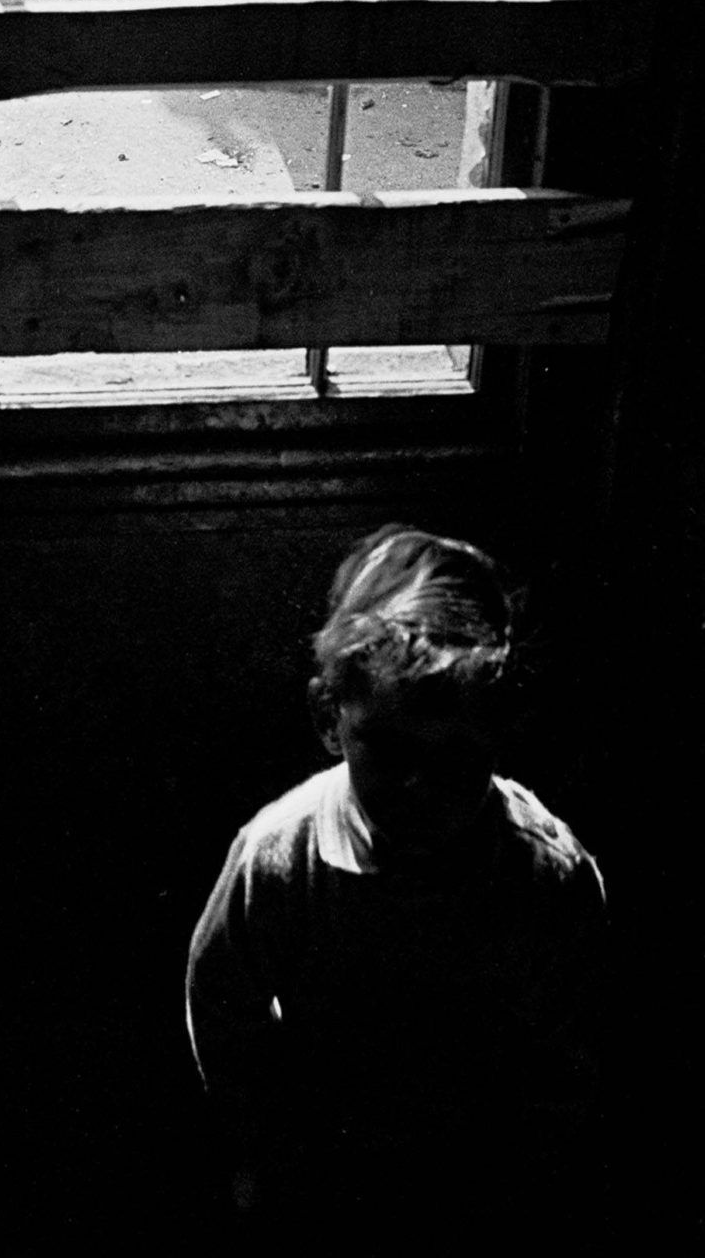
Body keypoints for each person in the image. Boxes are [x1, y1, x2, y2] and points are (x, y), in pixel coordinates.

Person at [186, 524, 607, 1232]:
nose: (420, 787)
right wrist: (263, 1143)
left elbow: (570, 1048)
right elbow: (223, 1005)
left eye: (454, 758)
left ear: (500, 729)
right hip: (326, 1153)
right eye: (388, 750)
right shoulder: (279, 858)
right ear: (330, 719)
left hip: (483, 1162)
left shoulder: (545, 875)